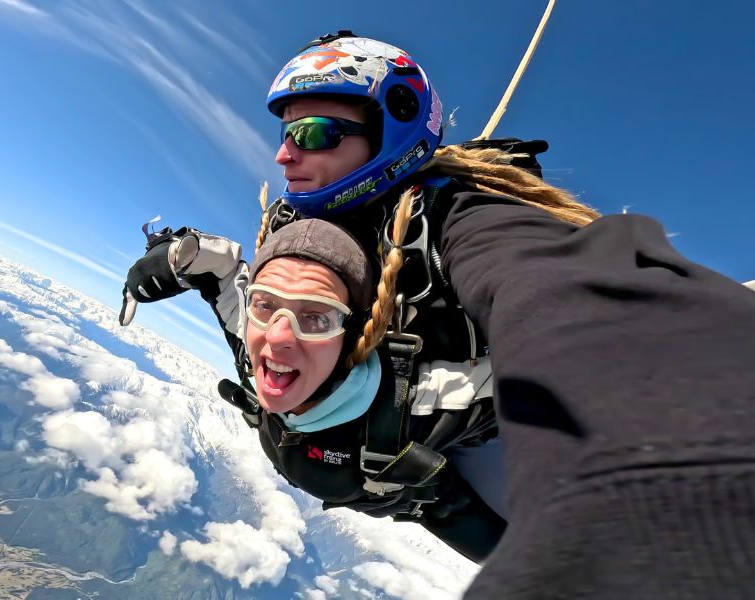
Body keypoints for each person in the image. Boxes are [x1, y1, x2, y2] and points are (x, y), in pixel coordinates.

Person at [124, 31, 755, 598]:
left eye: (313, 133)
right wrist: (204, 266)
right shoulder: (306, 233)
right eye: (285, 134)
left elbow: (561, 294)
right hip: (404, 486)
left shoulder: (461, 219)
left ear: (392, 128)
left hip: (465, 477)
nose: (284, 156)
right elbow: (275, 340)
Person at [121, 216, 507, 563]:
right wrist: (178, 256)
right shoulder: (251, 340)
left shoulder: (409, 401)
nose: (278, 335)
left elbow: (534, 379)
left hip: (430, 503)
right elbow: (222, 273)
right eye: (265, 304)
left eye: (317, 317)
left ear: (354, 335)